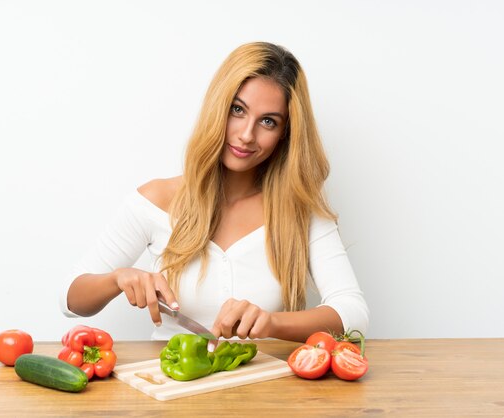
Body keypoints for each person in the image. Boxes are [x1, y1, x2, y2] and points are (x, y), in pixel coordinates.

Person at [60, 41, 369, 343]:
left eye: (268, 121)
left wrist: (272, 323)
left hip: (268, 389)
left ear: (284, 134)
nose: (247, 135)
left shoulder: (301, 211)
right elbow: (70, 300)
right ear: (217, 107)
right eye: (238, 110)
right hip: (170, 383)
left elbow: (354, 314)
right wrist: (117, 279)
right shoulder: (156, 200)